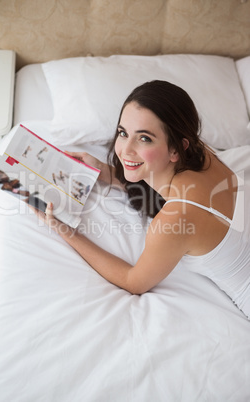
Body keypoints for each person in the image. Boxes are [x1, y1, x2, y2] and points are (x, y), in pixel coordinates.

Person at [33, 80, 250, 320]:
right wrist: (107, 172)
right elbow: (163, 177)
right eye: (123, 133)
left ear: (177, 149)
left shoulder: (174, 221)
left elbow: (133, 282)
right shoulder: (201, 153)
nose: (126, 150)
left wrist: (65, 230)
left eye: (144, 138)